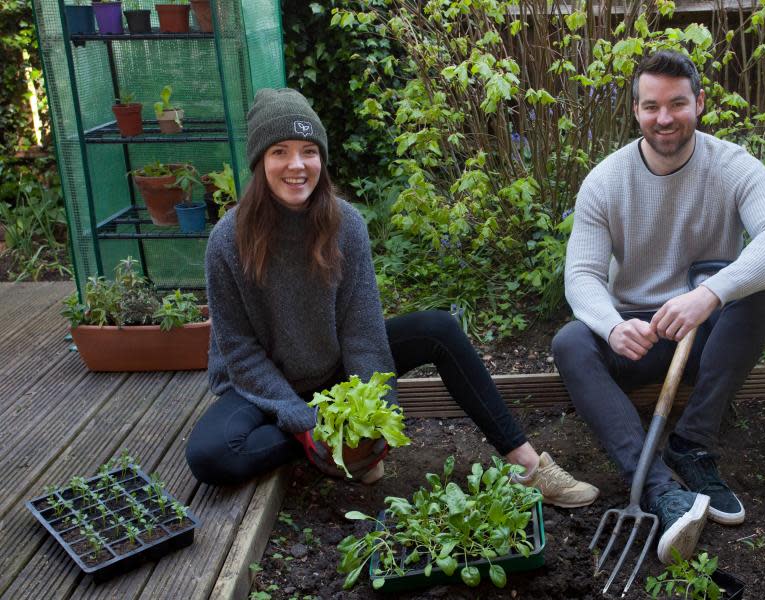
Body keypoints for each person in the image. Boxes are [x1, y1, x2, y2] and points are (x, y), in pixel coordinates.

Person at [185, 88, 598, 508]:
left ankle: (527, 466)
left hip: (333, 371)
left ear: (321, 159)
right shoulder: (227, 240)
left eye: (309, 151)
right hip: (262, 383)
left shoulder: (345, 224)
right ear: (260, 161)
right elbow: (238, 350)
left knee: (437, 328)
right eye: (280, 152)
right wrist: (306, 422)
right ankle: (329, 444)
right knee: (211, 455)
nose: (297, 165)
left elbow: (361, 330)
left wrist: (376, 418)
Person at [551, 51, 765, 561]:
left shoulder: (734, 166)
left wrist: (710, 293)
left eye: (677, 103)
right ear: (635, 111)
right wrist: (610, 326)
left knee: (760, 287)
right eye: (651, 106)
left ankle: (692, 446)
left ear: (700, 103)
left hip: (709, 332)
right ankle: (657, 487)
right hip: (640, 336)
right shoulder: (605, 181)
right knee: (570, 342)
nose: (664, 118)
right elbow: (581, 274)